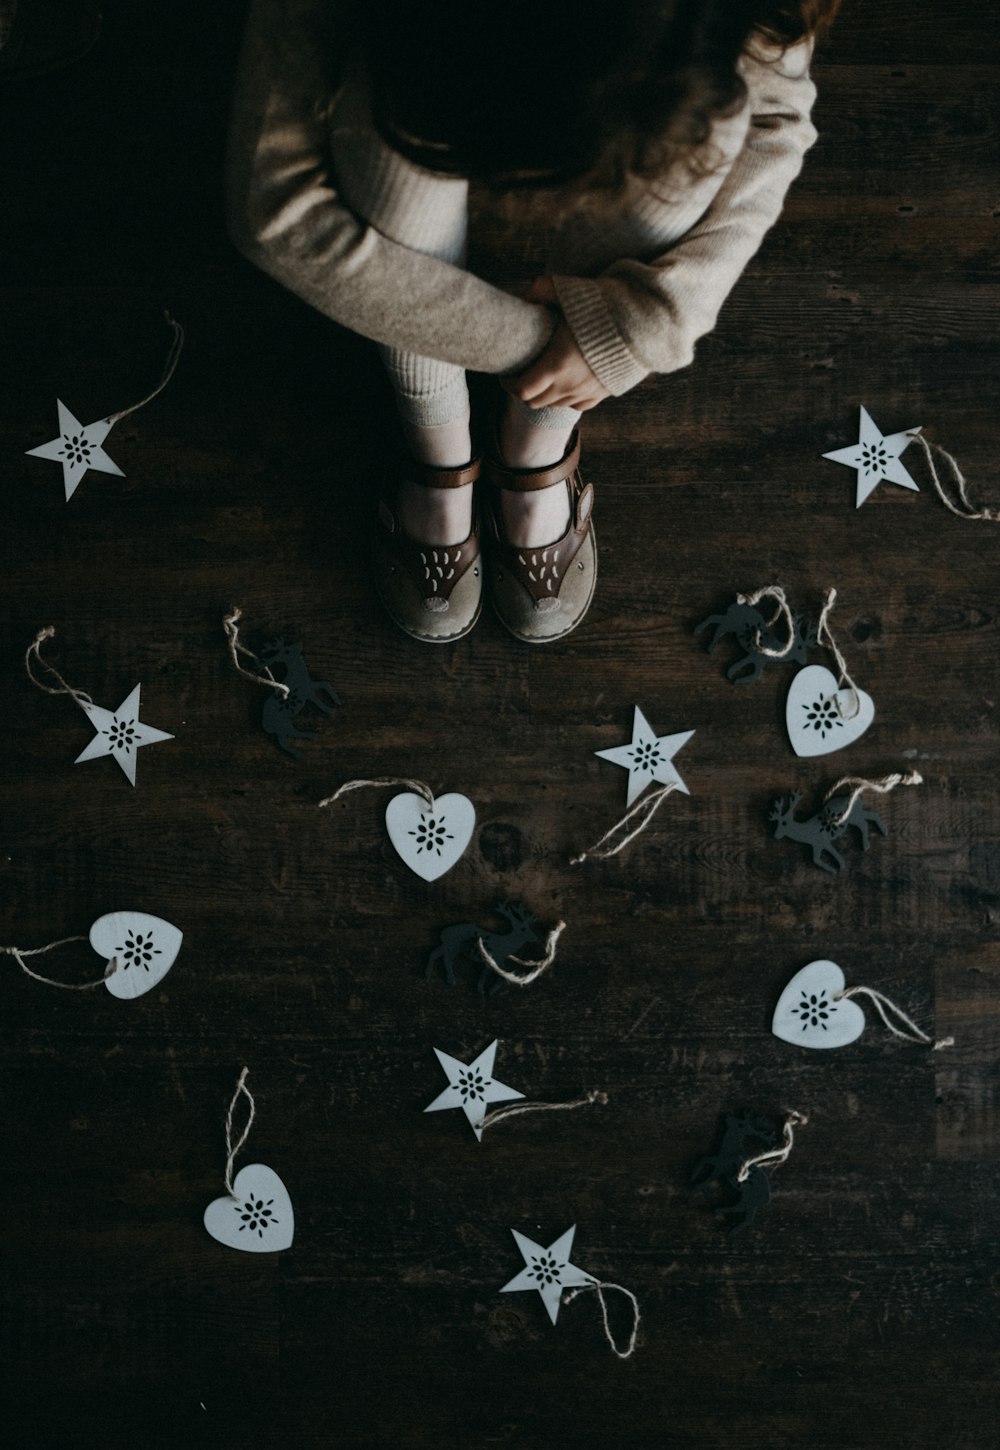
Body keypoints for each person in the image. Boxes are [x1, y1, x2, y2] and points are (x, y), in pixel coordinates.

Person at [227, 0, 838, 644]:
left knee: (699, 123)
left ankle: (537, 435)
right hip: (419, 56)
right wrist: (547, 348)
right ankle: (435, 425)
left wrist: (658, 319)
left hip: (635, 68)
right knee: (388, 126)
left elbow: (775, 112)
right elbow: (275, 216)